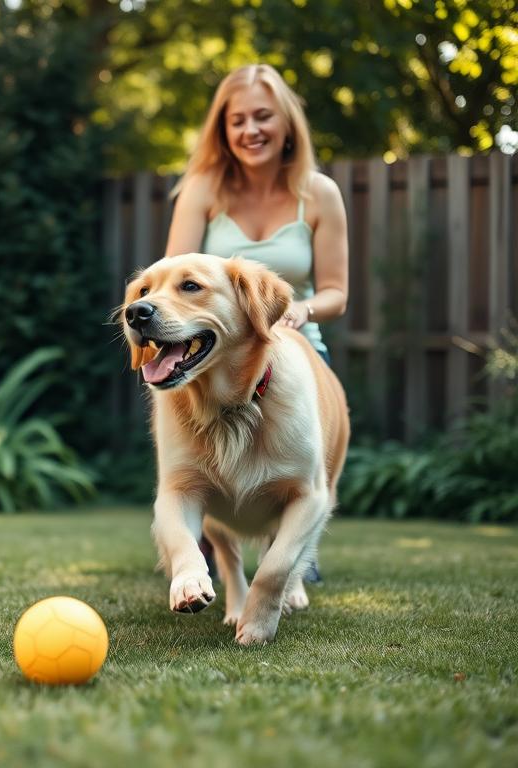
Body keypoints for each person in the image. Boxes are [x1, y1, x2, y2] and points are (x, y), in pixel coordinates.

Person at [164, 63, 349, 583]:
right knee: (196, 462)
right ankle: (201, 547)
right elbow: (171, 279)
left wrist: (303, 309)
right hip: (210, 354)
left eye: (263, 117)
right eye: (237, 120)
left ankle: (289, 548)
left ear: (287, 122)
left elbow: (337, 291)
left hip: (296, 349)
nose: (251, 131)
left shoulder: (320, 193)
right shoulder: (202, 189)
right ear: (222, 130)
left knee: (298, 484)